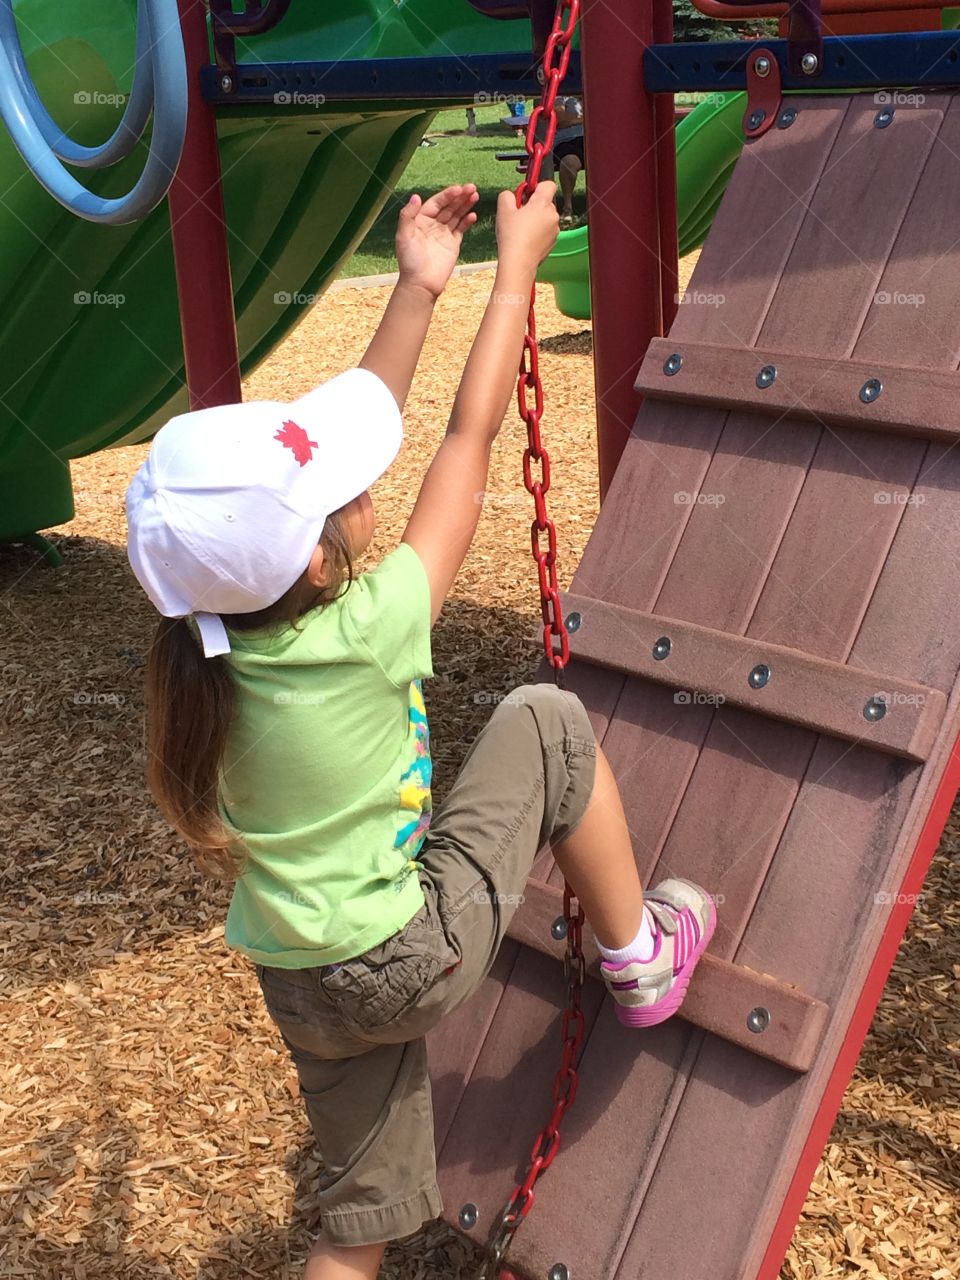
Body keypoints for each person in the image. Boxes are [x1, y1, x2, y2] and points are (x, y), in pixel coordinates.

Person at [125, 181, 716, 1280]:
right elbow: (467, 434)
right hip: (405, 957)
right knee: (545, 720)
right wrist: (516, 272)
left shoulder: (198, 653)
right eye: (330, 490)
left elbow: (365, 440)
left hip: (299, 977)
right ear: (310, 555)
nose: (358, 489)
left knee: (360, 1224)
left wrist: (417, 285)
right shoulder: (373, 621)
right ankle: (642, 956)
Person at [553, 94, 585, 226]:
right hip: (566, 141)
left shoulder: (595, 87)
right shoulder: (561, 93)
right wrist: (585, 118)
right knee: (569, 162)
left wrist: (573, 119)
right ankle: (568, 208)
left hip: (592, 138)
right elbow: (559, 118)